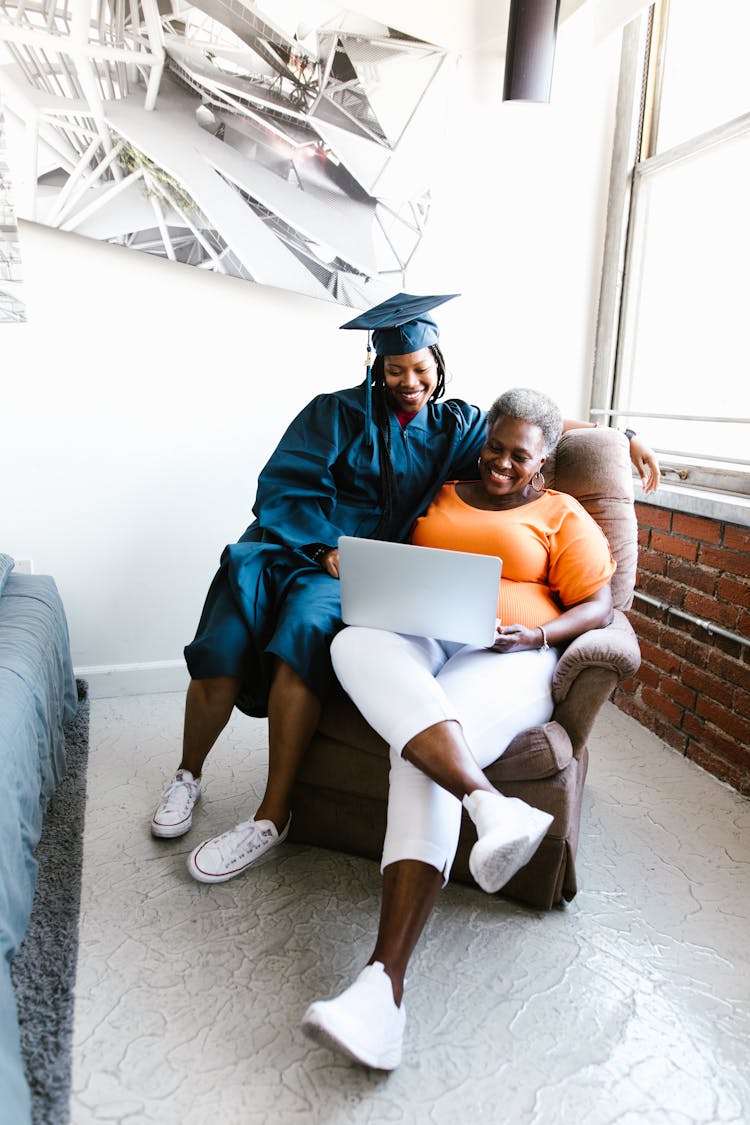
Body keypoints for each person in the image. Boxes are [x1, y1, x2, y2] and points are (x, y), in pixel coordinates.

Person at [149, 293, 658, 887]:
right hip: (289, 547)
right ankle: (187, 774)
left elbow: (532, 427)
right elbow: (282, 488)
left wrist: (620, 435)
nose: (409, 382)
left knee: (306, 642)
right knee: (222, 646)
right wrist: (324, 545)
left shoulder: (455, 427)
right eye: (395, 370)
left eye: (421, 369)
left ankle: (273, 813)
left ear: (439, 366)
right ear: (376, 367)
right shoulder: (332, 413)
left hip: (358, 570)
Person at [300, 387, 616, 1070]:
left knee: (423, 750)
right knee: (351, 644)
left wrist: (539, 631)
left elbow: (599, 602)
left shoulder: (562, 513)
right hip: (423, 636)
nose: (502, 462)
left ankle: (383, 987)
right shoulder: (442, 488)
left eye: (520, 455)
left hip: (508, 655)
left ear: (545, 460)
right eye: (495, 446)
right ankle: (489, 804)